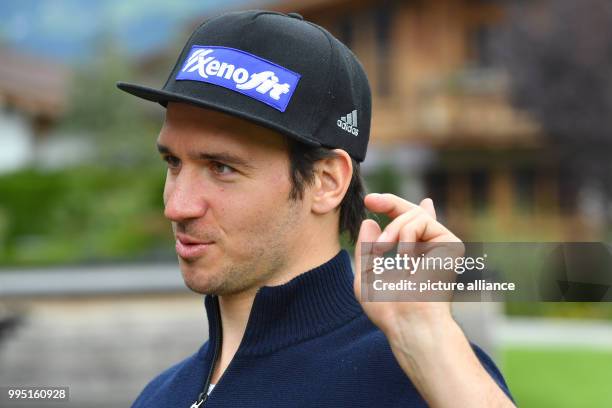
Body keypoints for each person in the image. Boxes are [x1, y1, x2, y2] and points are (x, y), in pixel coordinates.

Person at [117, 10, 515, 408]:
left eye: (222, 168)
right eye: (173, 163)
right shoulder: (160, 396)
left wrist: (430, 343)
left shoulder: (421, 379)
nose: (178, 206)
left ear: (327, 181)